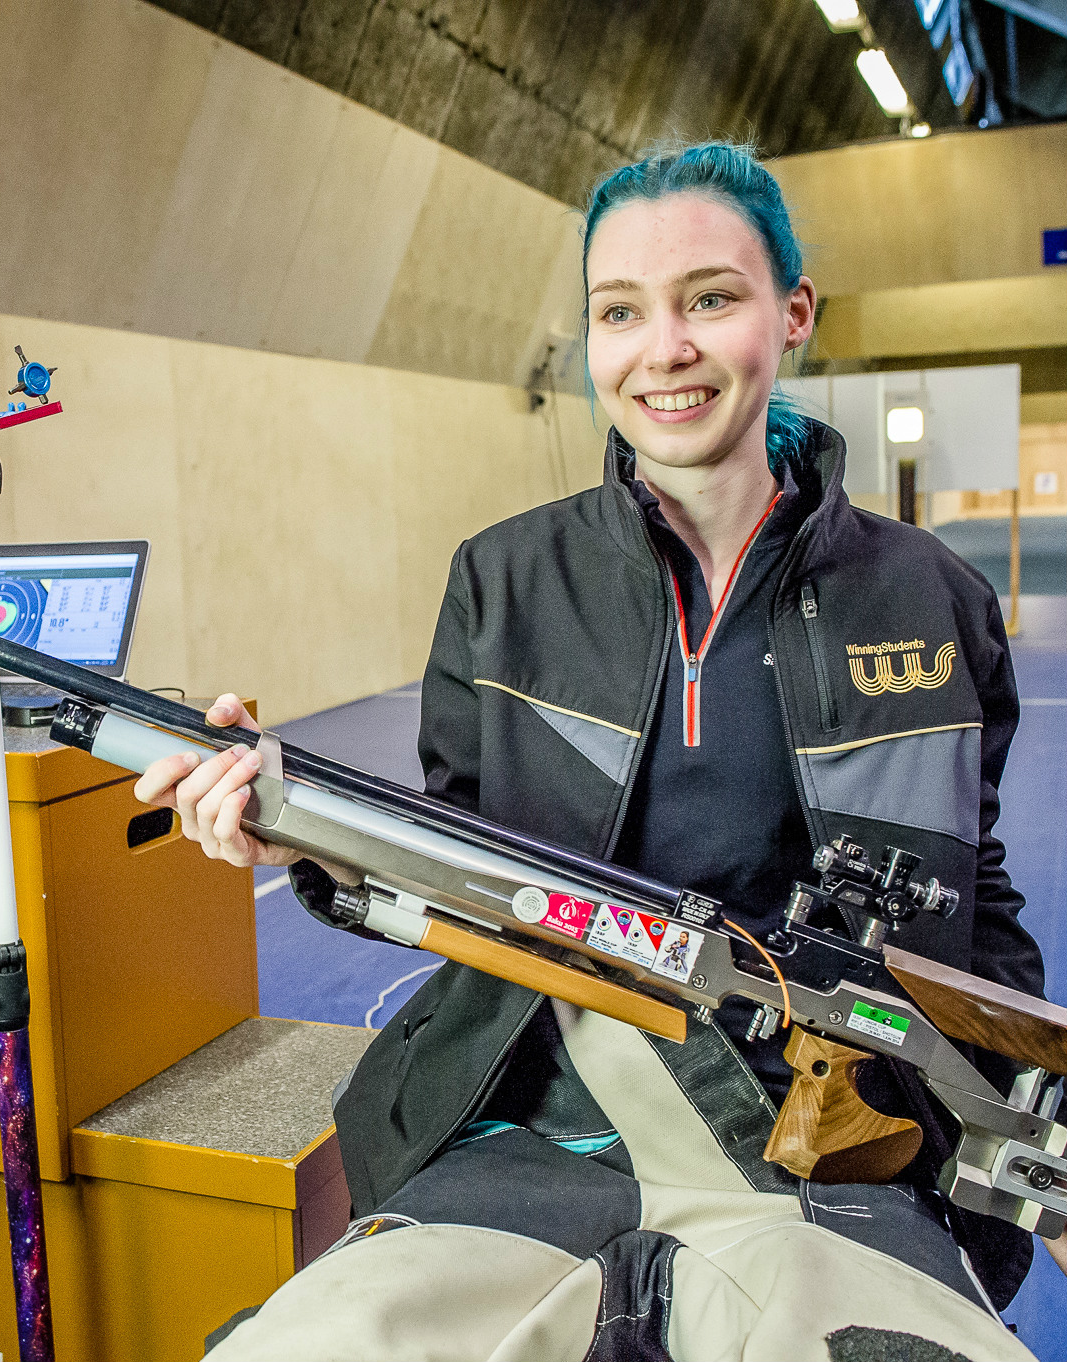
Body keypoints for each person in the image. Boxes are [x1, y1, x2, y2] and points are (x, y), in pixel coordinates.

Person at [137, 142, 1060, 1361]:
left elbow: (971, 899)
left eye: (709, 300)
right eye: (619, 312)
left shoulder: (930, 594)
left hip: (828, 1146)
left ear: (792, 316)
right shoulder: (504, 579)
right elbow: (448, 865)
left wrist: (1029, 1120)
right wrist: (287, 815)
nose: (662, 348)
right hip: (530, 1120)